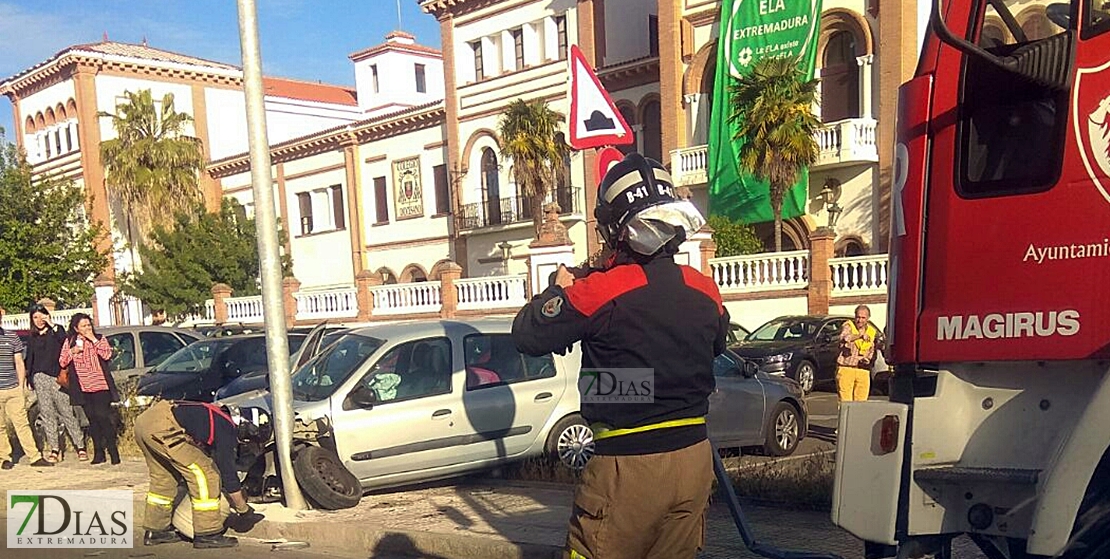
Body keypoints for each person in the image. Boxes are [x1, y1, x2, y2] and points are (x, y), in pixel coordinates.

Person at [512, 152, 730, 559]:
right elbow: (716, 346)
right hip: (694, 459)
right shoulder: (705, 288)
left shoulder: (601, 290)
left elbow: (527, 334)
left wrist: (557, 290)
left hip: (628, 469)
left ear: (616, 230)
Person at [132, 399, 265, 549]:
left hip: (145, 422)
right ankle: (207, 534)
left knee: (164, 477)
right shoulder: (227, 429)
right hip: (164, 428)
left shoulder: (219, 415)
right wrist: (243, 509)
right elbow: (228, 475)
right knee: (206, 474)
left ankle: (156, 531)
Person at [25, 304, 85, 463]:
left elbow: (65, 342)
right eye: (35, 317)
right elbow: (29, 358)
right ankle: (54, 448)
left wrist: (51, 323)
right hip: (40, 378)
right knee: (47, 414)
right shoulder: (32, 337)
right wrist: (29, 378)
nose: (39, 320)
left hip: (57, 377)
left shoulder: (56, 331)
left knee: (66, 411)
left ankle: (80, 446)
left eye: (41, 316)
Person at [58, 313, 120, 465]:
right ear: (76, 328)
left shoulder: (99, 338)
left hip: (100, 386)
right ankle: (99, 452)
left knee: (102, 416)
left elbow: (107, 355)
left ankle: (113, 450)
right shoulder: (70, 341)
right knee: (91, 419)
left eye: (88, 325)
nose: (87, 328)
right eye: (83, 326)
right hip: (83, 387)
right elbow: (62, 361)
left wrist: (93, 339)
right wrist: (73, 351)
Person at [0, 306, 52, 468]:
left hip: (13, 387)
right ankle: (4, 458)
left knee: (21, 423)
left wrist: (21, 385)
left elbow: (19, 362)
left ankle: (34, 457)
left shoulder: (11, 337)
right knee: (0, 426)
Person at [836, 304, 881, 402]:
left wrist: (867, 359)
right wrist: (859, 336)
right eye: (858, 317)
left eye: (863, 318)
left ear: (868, 318)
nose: (860, 320)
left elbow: (872, 349)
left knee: (861, 404)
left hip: (863, 370)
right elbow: (844, 338)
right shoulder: (848, 326)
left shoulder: (871, 331)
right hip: (847, 369)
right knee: (845, 403)